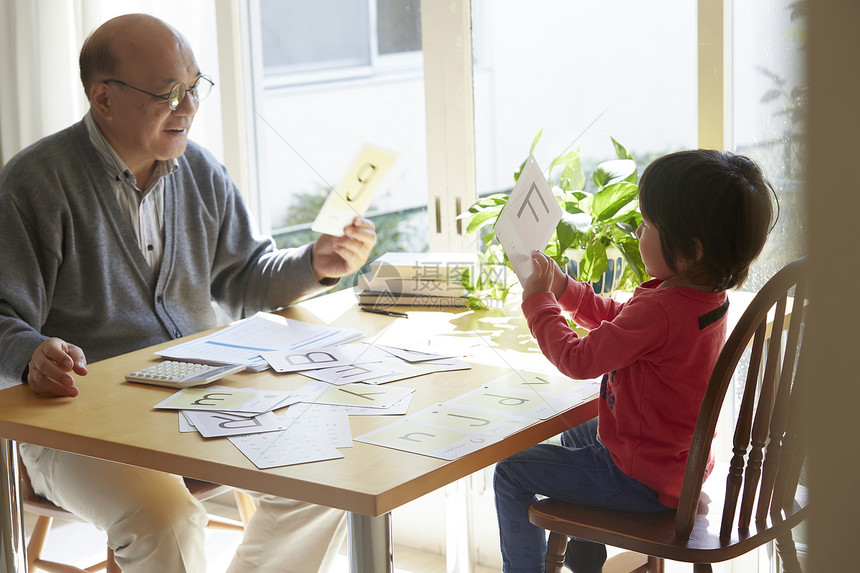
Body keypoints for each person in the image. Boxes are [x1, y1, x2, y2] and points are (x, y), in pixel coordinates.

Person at [0, 13, 377, 573]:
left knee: (322, 478)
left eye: (195, 86)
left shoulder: (198, 169)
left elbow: (246, 276)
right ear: (103, 99)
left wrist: (314, 263)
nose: (189, 106)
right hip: (76, 421)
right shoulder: (35, 182)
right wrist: (31, 354)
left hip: (199, 398)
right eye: (169, 92)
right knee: (165, 520)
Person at [493, 149, 778, 573]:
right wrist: (564, 287)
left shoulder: (663, 309)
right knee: (578, 430)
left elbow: (578, 359)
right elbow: (624, 323)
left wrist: (538, 301)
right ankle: (587, 561)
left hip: (636, 481)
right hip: (676, 466)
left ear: (691, 251)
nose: (638, 231)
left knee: (510, 473)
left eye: (647, 225)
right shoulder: (702, 296)